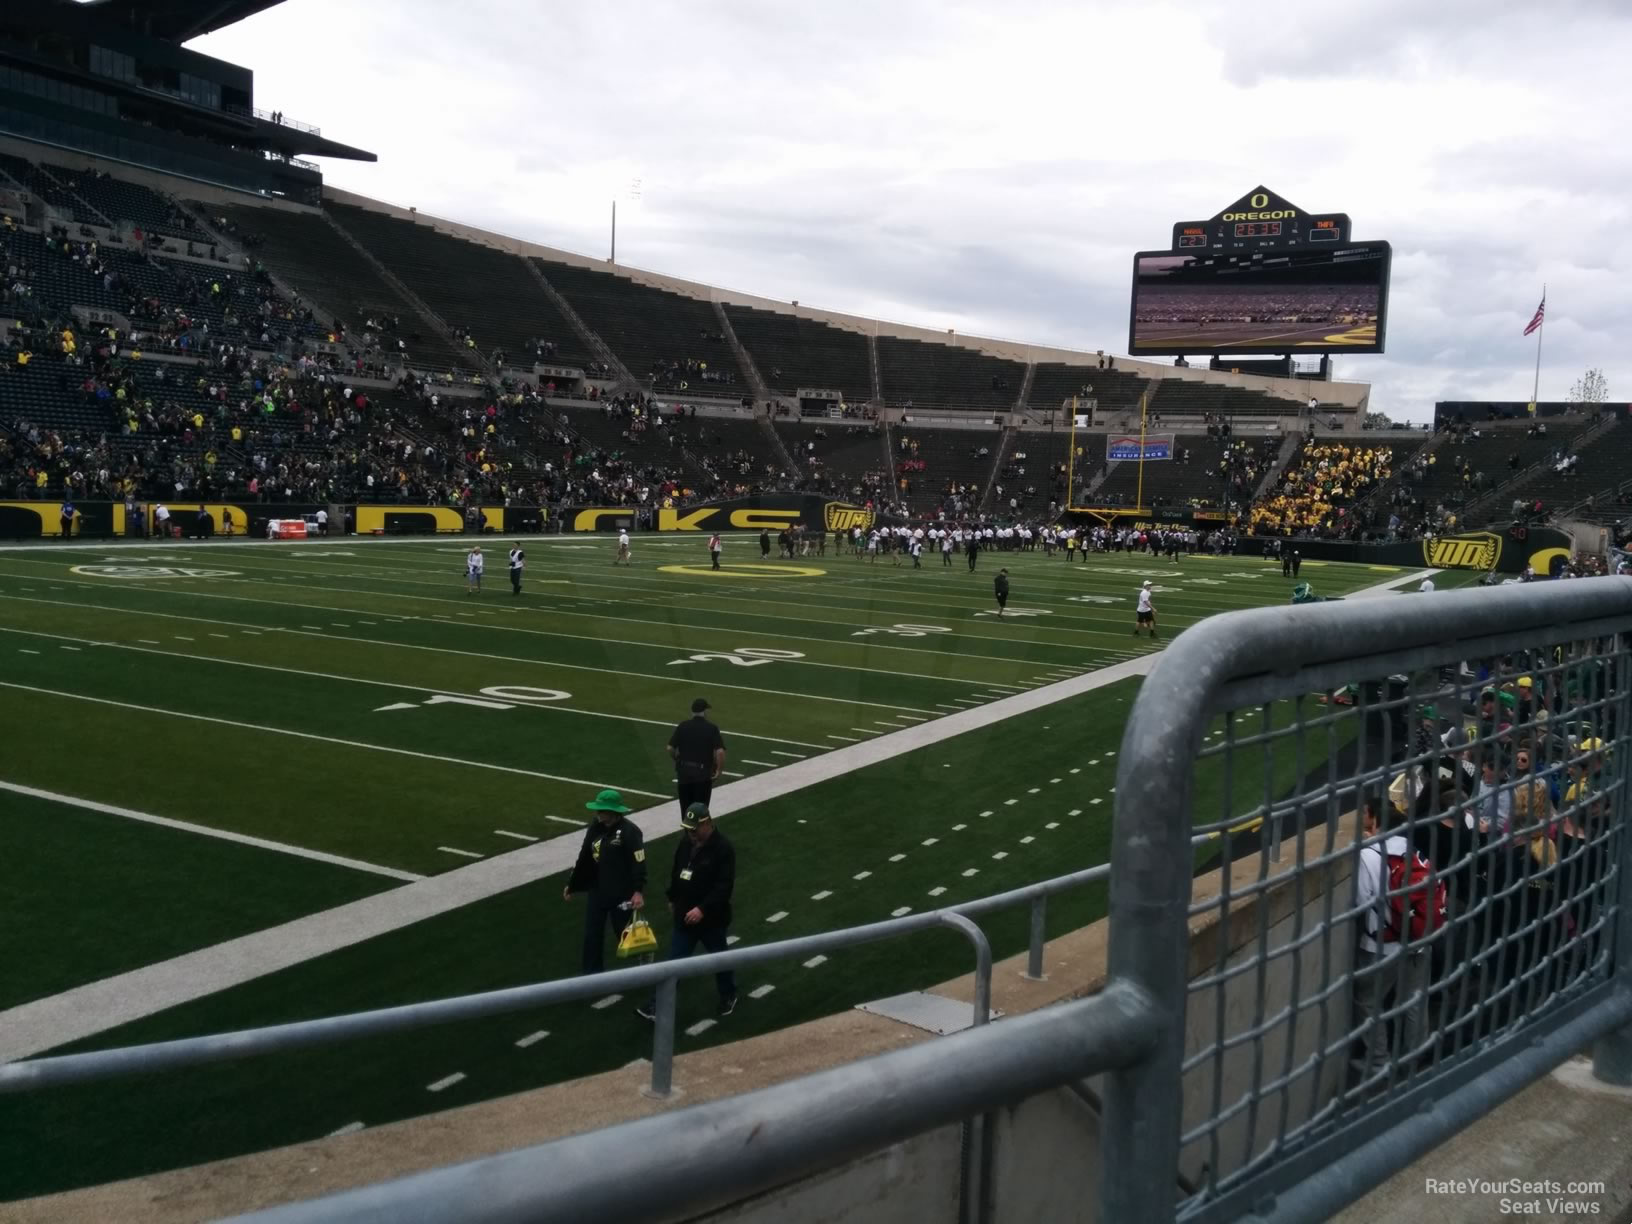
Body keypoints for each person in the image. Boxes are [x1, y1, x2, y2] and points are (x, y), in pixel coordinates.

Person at [1350, 798, 1429, 1091]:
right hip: (1420, 939)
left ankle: (1378, 1063)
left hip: (1382, 946)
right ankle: (1415, 1058)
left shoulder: (1368, 854)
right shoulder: (1412, 848)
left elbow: (1361, 901)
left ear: (1373, 820)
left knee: (1369, 1003)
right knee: (1413, 998)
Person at [636, 802, 738, 1022]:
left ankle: (729, 994)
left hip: (712, 919)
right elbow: (677, 872)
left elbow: (724, 886)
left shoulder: (723, 848)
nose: (690, 833)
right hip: (685, 917)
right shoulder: (685, 844)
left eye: (694, 829)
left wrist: (702, 908)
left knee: (720, 958)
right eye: (687, 829)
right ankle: (657, 1004)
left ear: (707, 823)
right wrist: (672, 897)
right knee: (674, 963)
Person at [564, 789, 647, 975]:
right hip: (597, 890)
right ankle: (591, 974)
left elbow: (638, 863)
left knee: (624, 934)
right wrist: (573, 883)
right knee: (592, 935)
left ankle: (643, 963)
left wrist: (637, 891)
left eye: (602, 810)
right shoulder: (595, 827)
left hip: (621, 894)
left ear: (613, 811)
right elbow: (585, 856)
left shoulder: (630, 832)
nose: (598, 813)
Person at [669, 697, 725, 815]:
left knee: (686, 809)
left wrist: (676, 759)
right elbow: (720, 752)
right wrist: (718, 770)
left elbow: (670, 748)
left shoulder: (683, 726)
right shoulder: (711, 728)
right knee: (700, 811)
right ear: (704, 712)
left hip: (684, 773)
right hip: (702, 775)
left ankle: (688, 832)